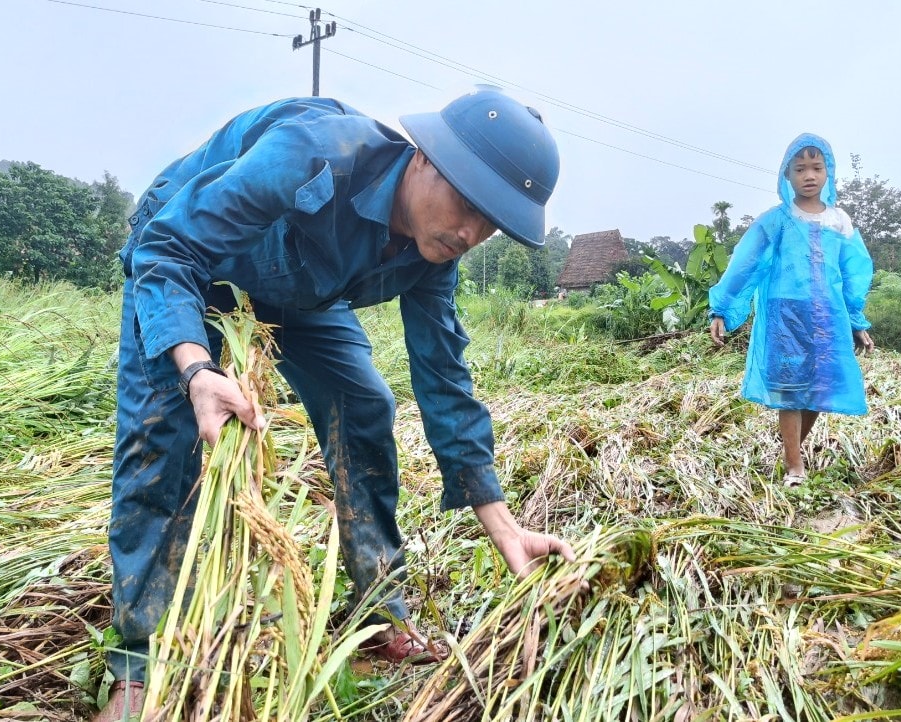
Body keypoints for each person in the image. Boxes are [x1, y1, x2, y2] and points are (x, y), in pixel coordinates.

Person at [94, 88, 576, 721]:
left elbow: (445, 383)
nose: (470, 232)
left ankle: (378, 613)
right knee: (163, 433)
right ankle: (139, 665)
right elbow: (171, 248)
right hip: (189, 254)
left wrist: (505, 528)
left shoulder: (433, 255)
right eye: (468, 203)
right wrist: (197, 369)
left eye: (492, 224)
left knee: (365, 404)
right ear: (427, 158)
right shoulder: (315, 153)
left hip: (292, 287)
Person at [707, 132, 875, 487]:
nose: (809, 175)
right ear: (787, 175)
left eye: (816, 167)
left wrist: (857, 321)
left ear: (828, 172)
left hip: (827, 316)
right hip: (786, 315)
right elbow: (744, 264)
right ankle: (794, 466)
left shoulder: (840, 223)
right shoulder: (776, 221)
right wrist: (721, 308)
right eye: (800, 168)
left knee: (819, 389)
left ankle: (791, 449)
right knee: (790, 389)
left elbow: (852, 274)